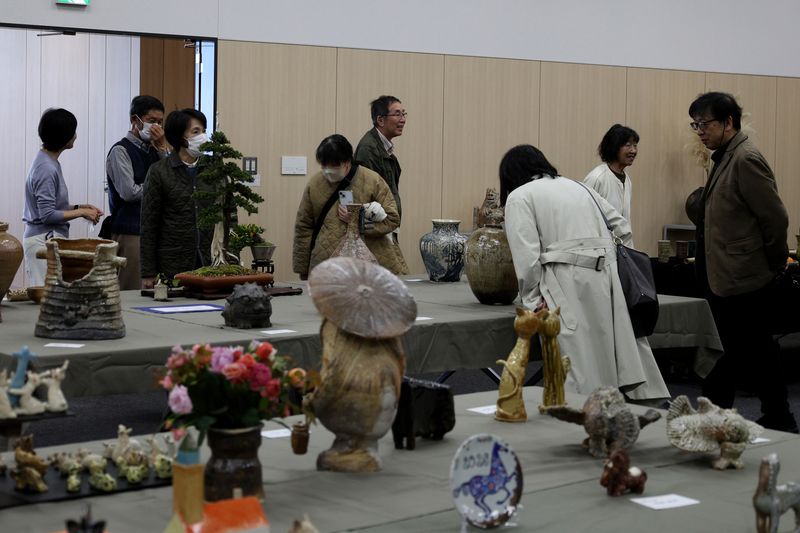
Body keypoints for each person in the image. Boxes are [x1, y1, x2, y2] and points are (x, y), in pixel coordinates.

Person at [500, 144, 669, 402]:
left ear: (510, 175)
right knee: (611, 352)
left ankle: (585, 412)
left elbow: (527, 258)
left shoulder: (520, 196)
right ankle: (617, 408)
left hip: (564, 281)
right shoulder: (580, 187)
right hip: (606, 279)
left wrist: (532, 302)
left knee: (578, 363)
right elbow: (622, 228)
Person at [688, 91, 797, 432]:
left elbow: (775, 218)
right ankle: (730, 416)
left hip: (745, 278)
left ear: (728, 122)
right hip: (725, 276)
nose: (699, 131)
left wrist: (775, 262)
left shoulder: (745, 158)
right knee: (734, 351)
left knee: (748, 351)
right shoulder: (724, 157)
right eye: (695, 125)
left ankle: (772, 416)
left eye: (704, 124)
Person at [293, 134, 408, 279]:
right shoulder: (315, 184)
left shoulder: (372, 180)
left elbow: (392, 219)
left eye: (334, 166)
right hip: (326, 263)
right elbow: (303, 227)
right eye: (324, 165)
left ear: (347, 162)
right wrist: (302, 269)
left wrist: (358, 220)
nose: (328, 170)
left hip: (369, 263)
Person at [22, 108, 103, 286]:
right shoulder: (46, 168)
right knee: (48, 296)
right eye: (73, 131)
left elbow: (53, 206)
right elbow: (47, 215)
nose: (76, 135)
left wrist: (80, 207)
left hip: (47, 238)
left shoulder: (49, 161)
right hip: (42, 241)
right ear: (64, 136)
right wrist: (81, 212)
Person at [140, 108, 213, 289]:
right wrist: (148, 272)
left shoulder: (214, 170)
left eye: (204, 131)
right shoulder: (159, 171)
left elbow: (229, 217)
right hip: (172, 262)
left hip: (210, 260)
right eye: (196, 131)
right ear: (180, 137)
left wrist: (232, 258)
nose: (202, 136)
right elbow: (149, 225)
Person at [105, 95, 169, 290]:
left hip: (154, 229)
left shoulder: (154, 150)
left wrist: (163, 149)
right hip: (130, 230)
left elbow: (172, 179)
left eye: (160, 122)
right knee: (132, 288)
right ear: (135, 120)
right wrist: (158, 188)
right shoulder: (120, 151)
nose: (156, 127)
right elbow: (129, 193)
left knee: (155, 289)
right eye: (151, 121)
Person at [354, 95, 406, 230]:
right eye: (397, 114)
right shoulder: (368, 148)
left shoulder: (383, 147)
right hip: (377, 228)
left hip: (386, 225)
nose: (403, 119)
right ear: (380, 120)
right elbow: (365, 196)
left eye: (403, 114)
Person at [583, 124, 639, 227]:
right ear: (614, 147)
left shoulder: (627, 180)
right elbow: (583, 215)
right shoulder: (597, 178)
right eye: (628, 145)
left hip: (622, 238)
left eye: (635, 145)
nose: (633, 150)